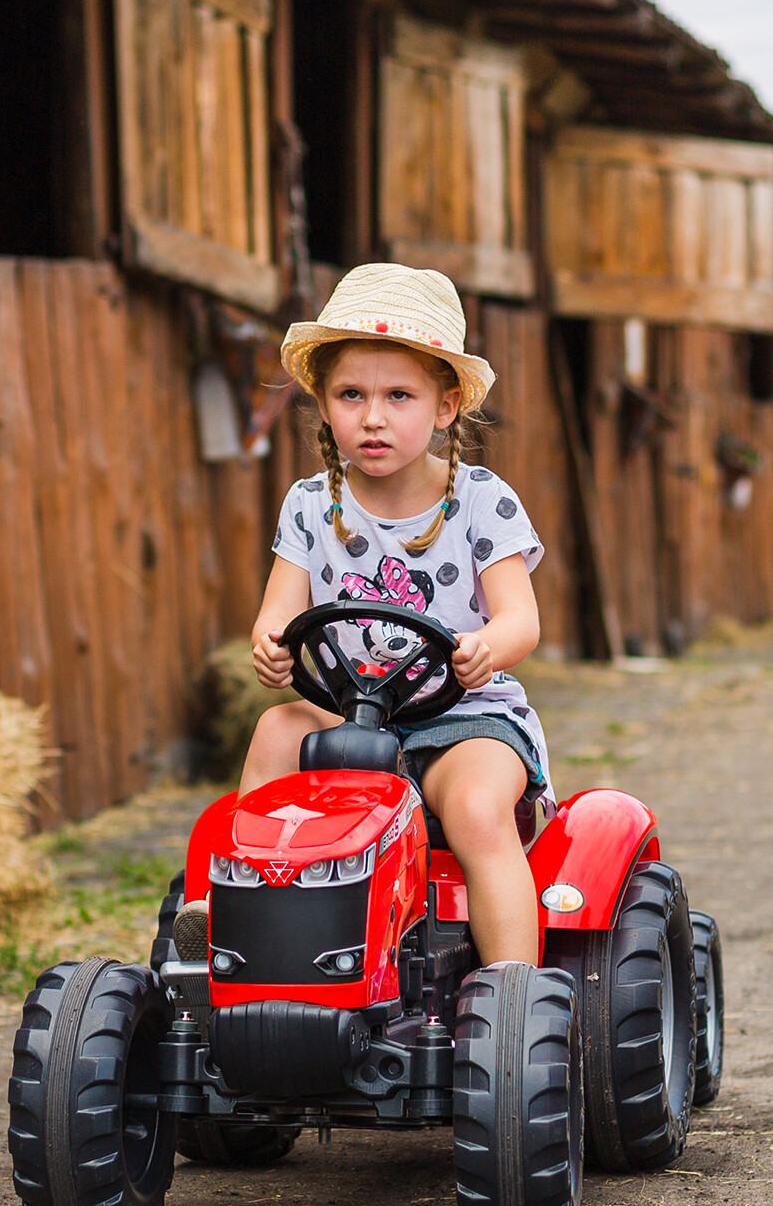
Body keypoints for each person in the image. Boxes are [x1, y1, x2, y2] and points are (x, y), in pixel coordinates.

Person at [229, 263, 550, 974]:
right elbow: (277, 616)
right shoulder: (312, 504)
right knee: (278, 728)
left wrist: (484, 647)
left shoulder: (481, 501)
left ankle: (515, 997)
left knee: (473, 809)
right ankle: (228, 910)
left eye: (398, 395)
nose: (372, 417)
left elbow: (520, 620)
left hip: (466, 717)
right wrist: (272, 651)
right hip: (350, 714)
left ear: (445, 405)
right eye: (351, 395)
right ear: (323, 402)